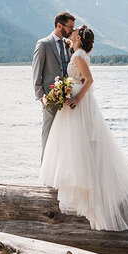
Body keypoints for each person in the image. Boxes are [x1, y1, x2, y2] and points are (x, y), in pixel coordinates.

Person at [39, 25, 128, 230]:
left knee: (78, 143)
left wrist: (75, 97)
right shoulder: (77, 53)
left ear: (79, 38)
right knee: (75, 143)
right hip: (76, 101)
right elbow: (79, 73)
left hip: (79, 103)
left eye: (75, 31)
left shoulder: (78, 56)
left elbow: (89, 80)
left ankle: (87, 191)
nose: (71, 32)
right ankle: (82, 187)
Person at [32, 12, 75, 156]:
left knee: (65, 138)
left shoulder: (68, 44)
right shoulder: (44, 44)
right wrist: (42, 97)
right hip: (50, 99)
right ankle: (45, 173)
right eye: (70, 27)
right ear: (59, 25)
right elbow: (36, 74)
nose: (71, 31)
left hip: (67, 99)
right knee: (48, 136)